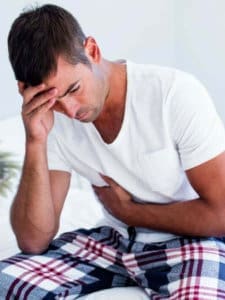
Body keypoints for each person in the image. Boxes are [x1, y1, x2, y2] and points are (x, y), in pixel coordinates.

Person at [0, 3, 225, 299]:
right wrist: (35, 140)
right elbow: (32, 241)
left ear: (92, 51)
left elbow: (221, 215)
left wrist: (130, 212)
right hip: (113, 241)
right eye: (53, 100)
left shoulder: (174, 95)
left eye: (73, 89)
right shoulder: (51, 119)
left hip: (190, 241)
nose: (70, 110)